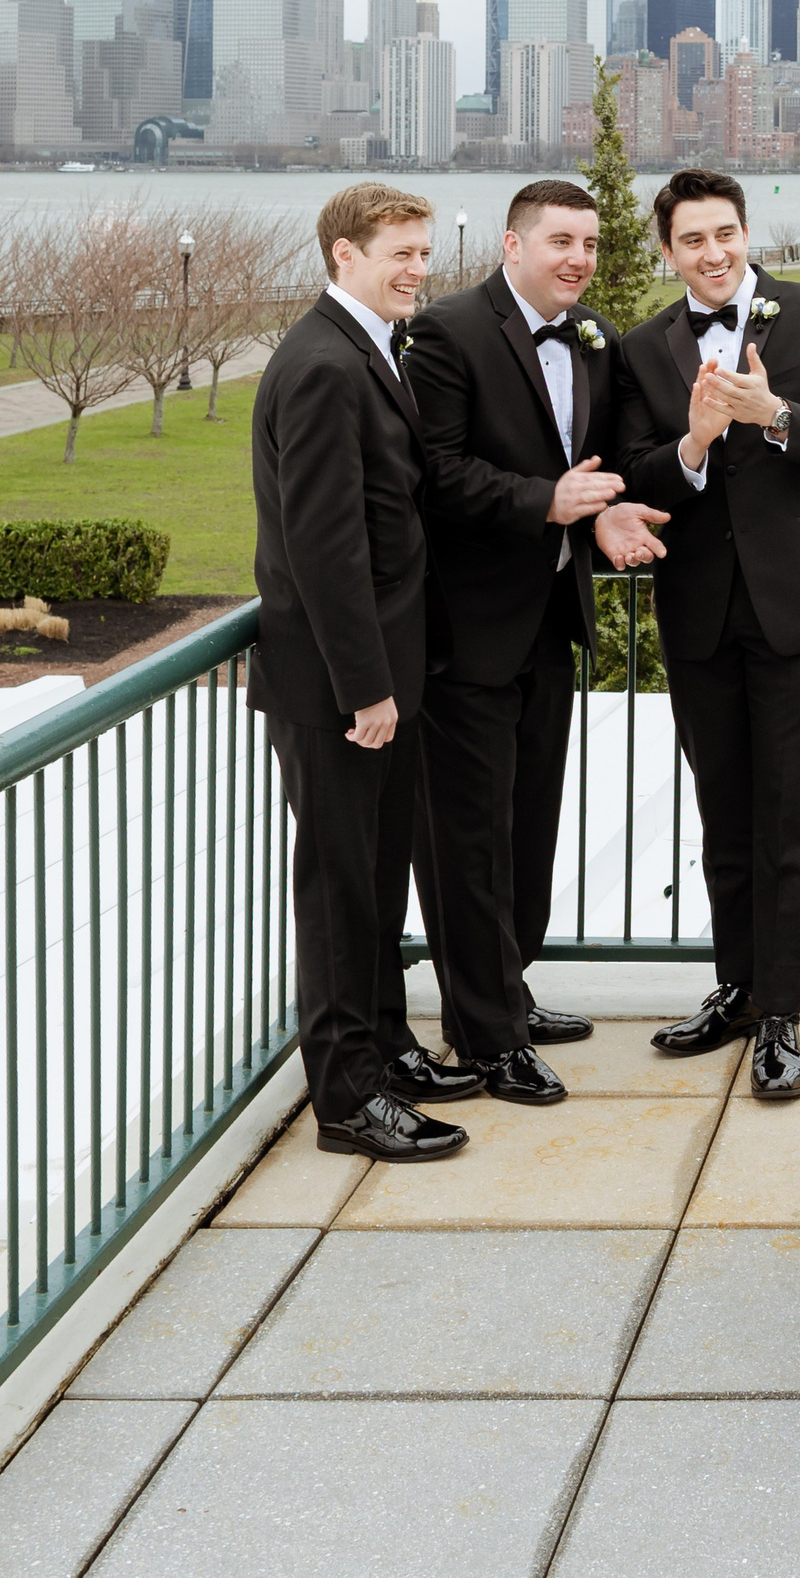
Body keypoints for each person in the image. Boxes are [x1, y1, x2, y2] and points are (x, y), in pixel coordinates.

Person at [405, 178, 663, 1104]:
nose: (578, 259)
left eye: (589, 244)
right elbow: (433, 474)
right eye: (561, 241)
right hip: (466, 632)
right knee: (467, 844)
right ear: (512, 246)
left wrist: (599, 513)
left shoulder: (592, 339)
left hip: (553, 624)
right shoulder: (446, 332)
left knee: (529, 830)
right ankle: (484, 1037)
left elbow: (589, 469)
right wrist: (541, 503)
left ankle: (508, 992)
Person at [611, 170, 800, 1097]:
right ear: (669, 250)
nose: (713, 254)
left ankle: (783, 1016)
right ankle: (735, 986)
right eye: (693, 241)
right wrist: (689, 446)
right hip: (699, 614)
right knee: (724, 809)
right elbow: (636, 468)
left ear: (747, 232)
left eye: (726, 234)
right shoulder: (642, 348)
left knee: (790, 813)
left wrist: (772, 417)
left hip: (797, 611)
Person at [248, 184, 466, 1162]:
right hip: (344, 691)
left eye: (423, 251)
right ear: (344, 254)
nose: (418, 267)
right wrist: (366, 688)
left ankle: (386, 1049)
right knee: (340, 893)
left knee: (378, 883)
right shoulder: (322, 366)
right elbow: (323, 546)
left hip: (384, 677)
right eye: (400, 253)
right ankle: (345, 1099)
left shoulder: (372, 347)